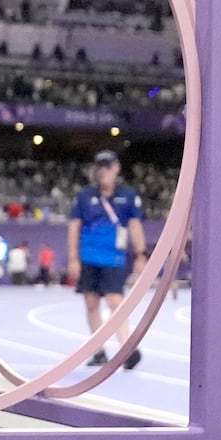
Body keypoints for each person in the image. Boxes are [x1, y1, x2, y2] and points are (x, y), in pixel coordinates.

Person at [67, 150, 147, 368]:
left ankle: (126, 349)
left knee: (114, 301)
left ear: (116, 168)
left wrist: (141, 254)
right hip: (88, 257)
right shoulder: (85, 196)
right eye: (100, 166)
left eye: (108, 165)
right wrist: (73, 258)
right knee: (91, 302)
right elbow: (74, 226)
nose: (103, 170)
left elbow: (135, 226)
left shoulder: (128, 196)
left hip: (114, 258)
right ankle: (99, 350)